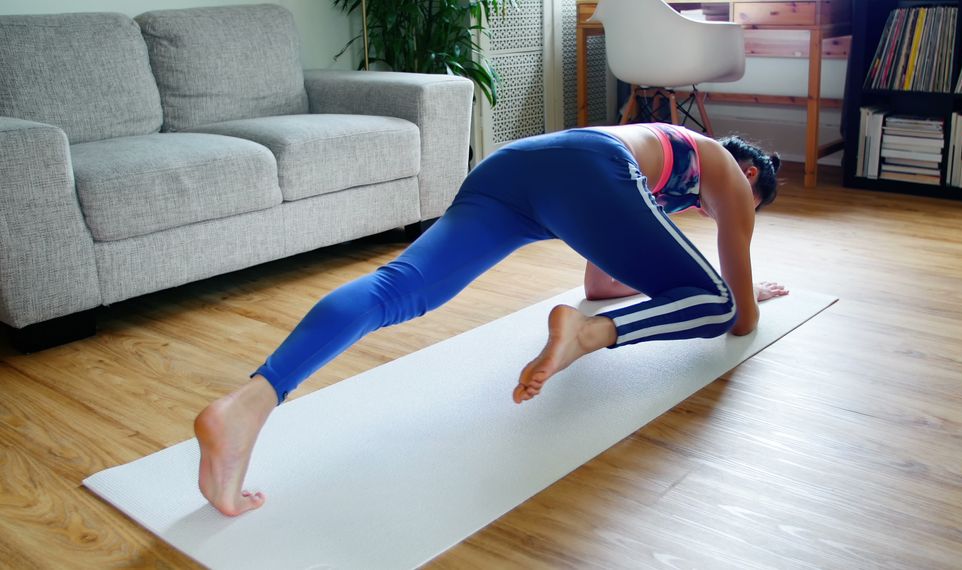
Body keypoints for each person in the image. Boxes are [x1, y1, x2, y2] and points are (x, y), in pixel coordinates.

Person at [194, 122, 788, 516]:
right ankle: (586, 336)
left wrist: (674, 291)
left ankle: (247, 403)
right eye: (738, 211)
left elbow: (600, 283)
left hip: (515, 169)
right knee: (719, 302)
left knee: (398, 289)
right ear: (752, 177)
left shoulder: (659, 166)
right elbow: (739, 320)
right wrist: (743, 292)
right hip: (588, 169)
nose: (717, 216)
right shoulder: (727, 174)